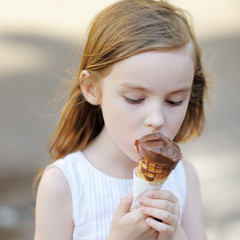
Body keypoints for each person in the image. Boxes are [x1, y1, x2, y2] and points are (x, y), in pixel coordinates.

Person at [34, 0, 208, 239]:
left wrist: (175, 234)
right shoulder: (63, 184)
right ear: (92, 88)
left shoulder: (184, 177)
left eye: (174, 101)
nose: (156, 120)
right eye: (135, 99)